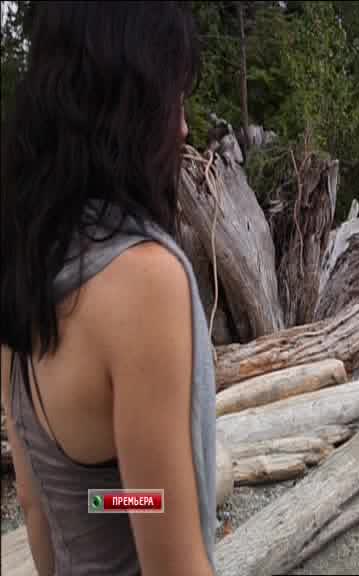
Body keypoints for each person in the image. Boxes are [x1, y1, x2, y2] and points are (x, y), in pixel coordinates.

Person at [0, 3, 216, 575]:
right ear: (130, 105)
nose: (183, 127)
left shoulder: (25, 266)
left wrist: (128, 502)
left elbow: (40, 503)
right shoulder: (144, 280)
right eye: (173, 98)